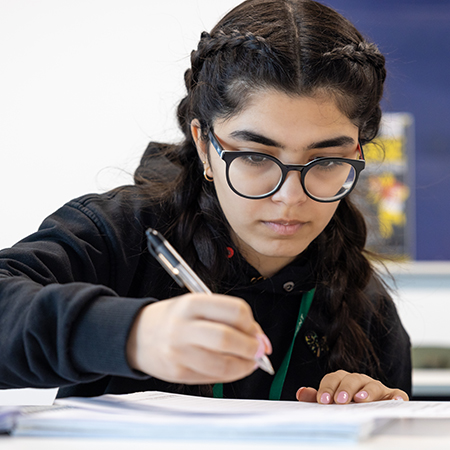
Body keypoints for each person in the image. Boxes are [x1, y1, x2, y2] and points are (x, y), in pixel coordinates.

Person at [0, 0, 411, 404]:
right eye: (254, 157)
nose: (290, 196)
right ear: (203, 144)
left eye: (325, 160)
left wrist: (377, 419)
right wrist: (131, 334)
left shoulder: (366, 307)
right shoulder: (119, 233)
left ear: (357, 155)